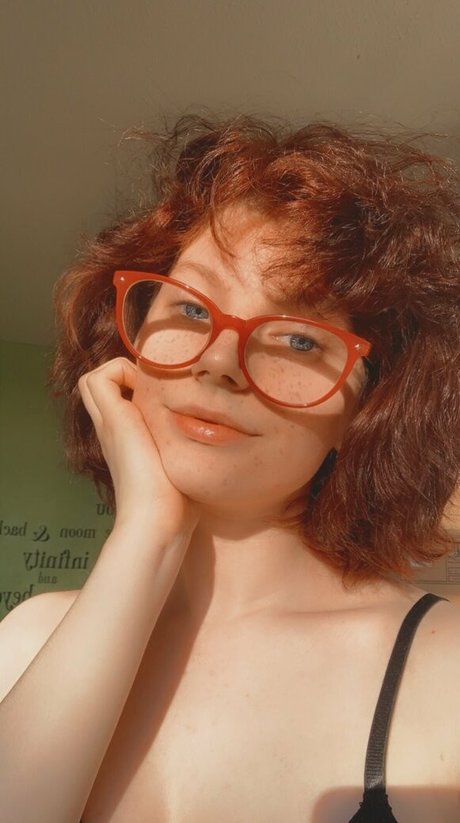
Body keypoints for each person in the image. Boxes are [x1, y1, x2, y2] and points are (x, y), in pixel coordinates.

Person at [0, 116, 459, 823]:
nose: (219, 360)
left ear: (368, 408)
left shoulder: (444, 666)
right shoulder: (28, 639)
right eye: (191, 306)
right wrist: (147, 534)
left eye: (300, 339)